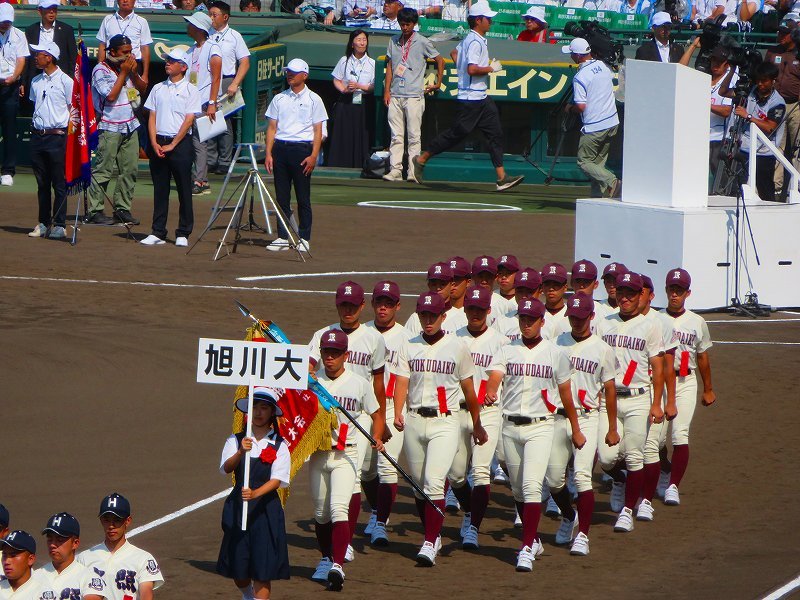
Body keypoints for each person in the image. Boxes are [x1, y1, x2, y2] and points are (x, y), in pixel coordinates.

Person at [485, 298, 585, 571]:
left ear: (542, 322)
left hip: (541, 427)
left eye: (532, 320)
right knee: (517, 488)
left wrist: (576, 429)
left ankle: (525, 548)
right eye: (523, 319)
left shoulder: (555, 354)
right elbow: (495, 376)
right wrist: (492, 389)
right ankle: (535, 539)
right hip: (510, 426)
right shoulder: (507, 351)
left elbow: (566, 396)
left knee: (531, 486)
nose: (526, 324)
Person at [392, 292, 489, 566]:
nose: (428, 320)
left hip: (446, 421)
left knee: (435, 481)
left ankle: (429, 540)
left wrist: (477, 424)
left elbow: (469, 391)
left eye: (433, 315)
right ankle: (433, 535)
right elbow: (401, 382)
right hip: (413, 420)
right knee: (418, 485)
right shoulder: (408, 345)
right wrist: (398, 412)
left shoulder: (457, 347)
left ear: (443, 317)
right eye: (424, 315)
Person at [306, 280, 387, 561]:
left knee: (355, 480)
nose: (348, 309)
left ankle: (343, 544)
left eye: (353, 305)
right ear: (337, 305)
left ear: (362, 306)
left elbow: (378, 381)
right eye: (344, 305)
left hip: (359, 415)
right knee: (335, 496)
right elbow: (306, 371)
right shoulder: (321, 335)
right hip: (326, 415)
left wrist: (382, 422)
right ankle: (341, 546)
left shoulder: (373, 337)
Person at [412, 1, 524, 192]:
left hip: (481, 98)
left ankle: (502, 177)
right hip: (470, 99)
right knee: (456, 135)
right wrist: (491, 68)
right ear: (478, 21)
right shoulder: (474, 41)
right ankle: (422, 158)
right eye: (488, 18)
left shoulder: (472, 39)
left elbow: (454, 53)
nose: (491, 21)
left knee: (495, 134)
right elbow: (472, 69)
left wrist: (462, 68)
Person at [310, 329, 385, 591]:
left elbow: (376, 414)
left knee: (338, 508)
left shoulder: (358, 383)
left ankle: (338, 565)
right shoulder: (312, 382)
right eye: (325, 353)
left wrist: (376, 437)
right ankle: (326, 557)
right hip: (319, 453)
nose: (329, 358)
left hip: (347, 453)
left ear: (346, 355)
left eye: (335, 353)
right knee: (320, 514)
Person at [595, 272, 665, 534]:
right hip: (607, 400)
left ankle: (627, 511)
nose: (624, 298)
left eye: (630, 294)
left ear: (640, 296)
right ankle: (621, 481)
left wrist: (657, 403)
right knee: (607, 456)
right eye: (621, 293)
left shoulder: (650, 325)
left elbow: (658, 368)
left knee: (636, 456)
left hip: (637, 398)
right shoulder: (604, 323)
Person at [551, 292, 619, 556]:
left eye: (581, 318)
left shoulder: (602, 350)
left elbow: (610, 389)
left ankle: (583, 536)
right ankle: (569, 516)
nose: (576, 323)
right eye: (572, 318)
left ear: (591, 317)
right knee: (554, 479)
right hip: (557, 416)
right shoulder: (557, 343)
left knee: (581, 476)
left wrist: (612, 427)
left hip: (588, 416)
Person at [217, 389, 291, 600]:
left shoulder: (280, 445)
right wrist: (240, 452)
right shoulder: (236, 439)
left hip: (265, 511)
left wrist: (256, 493)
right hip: (238, 508)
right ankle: (248, 595)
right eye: (254, 407)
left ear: (271, 413)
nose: (258, 412)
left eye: (264, 408)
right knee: (238, 569)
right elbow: (226, 468)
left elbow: (278, 480)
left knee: (262, 568)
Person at [452, 285, 509, 550]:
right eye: (470, 308)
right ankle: (469, 511)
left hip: (487, 413)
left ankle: (473, 526)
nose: (475, 313)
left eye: (480, 309)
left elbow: (501, 375)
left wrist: (492, 389)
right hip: (458, 410)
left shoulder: (501, 341)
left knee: (482, 470)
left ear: (488, 311)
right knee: (455, 475)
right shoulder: (453, 338)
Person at [659, 268, 715, 506]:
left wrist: (708, 388)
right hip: (660, 382)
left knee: (680, 434)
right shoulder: (656, 318)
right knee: (657, 439)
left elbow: (702, 357)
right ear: (666, 290)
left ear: (687, 293)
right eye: (672, 289)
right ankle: (664, 470)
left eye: (679, 290)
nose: (674, 294)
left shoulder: (697, 322)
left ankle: (673, 485)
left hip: (685, 380)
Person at [363, 280, 411, 546]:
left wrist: (400, 411)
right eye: (379, 303)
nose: (383, 308)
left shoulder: (406, 337)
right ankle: (377, 510)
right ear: (372, 304)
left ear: (397, 306)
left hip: (392, 405)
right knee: (365, 471)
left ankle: (380, 522)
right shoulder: (362, 332)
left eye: (388, 304)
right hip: (364, 408)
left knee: (387, 467)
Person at [264, 58, 328, 252]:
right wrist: (268, 153)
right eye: (288, 72)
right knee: (281, 197)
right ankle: (283, 236)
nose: (289, 75)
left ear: (305, 75)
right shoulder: (279, 98)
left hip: (302, 150)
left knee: (303, 197)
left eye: (293, 72)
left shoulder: (314, 99)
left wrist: (313, 155)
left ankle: (304, 237)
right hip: (281, 149)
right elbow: (272, 128)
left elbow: (318, 130)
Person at [141, 48, 201, 246]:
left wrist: (173, 143)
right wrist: (154, 142)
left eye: (172, 61)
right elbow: (152, 117)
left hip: (181, 145)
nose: (167, 63)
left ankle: (183, 232)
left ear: (183, 67)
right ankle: (158, 231)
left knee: (184, 189)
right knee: (160, 189)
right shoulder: (158, 88)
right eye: (167, 60)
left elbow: (189, 119)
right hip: (159, 142)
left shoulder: (191, 90)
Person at [87, 34, 148, 226]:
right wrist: (123, 73)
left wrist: (133, 73)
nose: (129, 56)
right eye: (124, 52)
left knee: (129, 169)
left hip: (130, 124)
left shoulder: (129, 68)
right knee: (103, 170)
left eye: (130, 51)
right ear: (112, 52)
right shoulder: (100, 70)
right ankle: (94, 210)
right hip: (109, 125)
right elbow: (111, 96)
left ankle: (122, 209)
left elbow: (142, 88)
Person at [382, 7, 443, 182]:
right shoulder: (393, 41)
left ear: (414, 24)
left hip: (415, 95)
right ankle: (395, 170)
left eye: (408, 24)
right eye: (402, 24)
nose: (404, 27)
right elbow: (390, 67)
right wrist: (387, 91)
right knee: (396, 135)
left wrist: (438, 82)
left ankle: (412, 172)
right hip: (395, 94)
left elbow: (440, 60)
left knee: (414, 135)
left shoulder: (422, 41)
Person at [27, 41, 73, 241]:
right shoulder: (36, 81)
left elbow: (74, 109)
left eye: (40, 53)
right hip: (38, 135)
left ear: (50, 57)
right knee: (42, 183)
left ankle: (60, 225)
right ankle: (44, 222)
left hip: (58, 136)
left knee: (59, 183)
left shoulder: (66, 81)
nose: (36, 56)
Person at [77, 493, 165, 599]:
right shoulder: (84, 558)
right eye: (106, 520)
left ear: (127, 521)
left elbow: (146, 593)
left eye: (117, 520)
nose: (111, 526)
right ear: (101, 520)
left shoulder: (143, 559)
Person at [564, 37, 621, 198]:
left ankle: (612, 181)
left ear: (578, 56)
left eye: (572, 54)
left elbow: (581, 106)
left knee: (584, 162)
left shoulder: (580, 76)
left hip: (594, 126)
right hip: (612, 122)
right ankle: (597, 198)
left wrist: (569, 108)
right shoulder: (602, 66)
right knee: (597, 164)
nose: (570, 56)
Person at [720, 61, 785, 201]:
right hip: (744, 149)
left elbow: (770, 127)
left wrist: (748, 116)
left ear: (773, 81)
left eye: (764, 81)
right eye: (758, 80)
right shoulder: (750, 90)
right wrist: (731, 70)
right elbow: (723, 91)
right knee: (739, 188)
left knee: (765, 190)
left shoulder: (778, 102)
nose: (760, 84)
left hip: (764, 153)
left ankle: (770, 217)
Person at [680, 42, 737, 187]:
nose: (715, 64)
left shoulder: (730, 80)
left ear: (727, 64)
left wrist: (704, 104)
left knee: (719, 174)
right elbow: (680, 70)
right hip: (700, 135)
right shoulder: (704, 77)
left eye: (720, 61)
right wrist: (693, 46)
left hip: (720, 137)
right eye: (713, 60)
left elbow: (726, 111)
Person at [208, 0, 251, 174]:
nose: (211, 18)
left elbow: (245, 62)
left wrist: (235, 83)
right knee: (208, 118)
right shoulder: (206, 34)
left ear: (225, 17)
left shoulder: (234, 36)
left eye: (214, 15)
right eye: (209, 14)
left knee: (224, 121)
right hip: (209, 80)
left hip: (226, 80)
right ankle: (210, 160)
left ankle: (225, 161)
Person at [183, 11, 222, 196]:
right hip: (190, 104)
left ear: (199, 28)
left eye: (190, 23)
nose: (187, 26)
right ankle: (194, 178)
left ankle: (201, 181)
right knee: (190, 142)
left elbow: (216, 78)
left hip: (205, 103)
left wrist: (212, 103)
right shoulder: (191, 50)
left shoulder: (213, 47)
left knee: (200, 143)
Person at [328, 29, 376, 168]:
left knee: (362, 134)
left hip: (363, 103)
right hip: (346, 102)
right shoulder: (344, 60)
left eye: (364, 40)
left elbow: (373, 86)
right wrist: (344, 89)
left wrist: (358, 85)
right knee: (343, 134)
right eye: (359, 40)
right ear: (352, 43)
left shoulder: (372, 63)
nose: (362, 43)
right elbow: (336, 79)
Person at [765, 19, 800, 199]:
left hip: (795, 104)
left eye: (784, 33)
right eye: (779, 32)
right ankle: (777, 187)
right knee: (777, 145)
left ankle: (795, 187)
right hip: (775, 104)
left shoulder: (798, 54)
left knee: (797, 147)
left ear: (793, 35)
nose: (780, 36)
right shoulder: (772, 52)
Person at [39, 513, 107, 599]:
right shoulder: (35, 577)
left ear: (75, 543)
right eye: (50, 539)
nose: (52, 544)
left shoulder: (89, 577)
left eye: (59, 539)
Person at [0, 4, 29, 187]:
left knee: (10, 129)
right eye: (2, 21)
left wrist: (15, 77)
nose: (5, 24)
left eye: (8, 21)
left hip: (10, 86)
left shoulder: (19, 35)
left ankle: (8, 170)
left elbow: (21, 60)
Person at [24, 0, 77, 92]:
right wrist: (24, 82)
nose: (52, 12)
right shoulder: (31, 30)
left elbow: (72, 57)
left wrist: (70, 78)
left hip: (59, 79)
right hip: (36, 78)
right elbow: (27, 58)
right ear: (40, 11)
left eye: (54, 9)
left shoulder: (66, 30)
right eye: (48, 9)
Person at [96, 0, 152, 84]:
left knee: (132, 95)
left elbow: (145, 48)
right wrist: (100, 68)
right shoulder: (108, 19)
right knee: (112, 93)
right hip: (111, 65)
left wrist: (145, 74)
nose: (125, 1)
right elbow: (102, 45)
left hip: (133, 66)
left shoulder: (141, 21)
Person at [405, 262, 468, 335]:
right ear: (429, 285)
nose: (438, 288)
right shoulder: (416, 318)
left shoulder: (462, 318)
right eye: (434, 284)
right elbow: (407, 344)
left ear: (452, 285)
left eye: (443, 284)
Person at [0, 531, 57, 599]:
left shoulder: (42, 594)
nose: (7, 561)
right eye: (4, 555)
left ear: (30, 559)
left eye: (13, 555)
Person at [540, 263, 570, 340]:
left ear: (565, 287)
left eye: (556, 284)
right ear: (542, 287)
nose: (551, 289)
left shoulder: (572, 315)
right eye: (547, 284)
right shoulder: (535, 314)